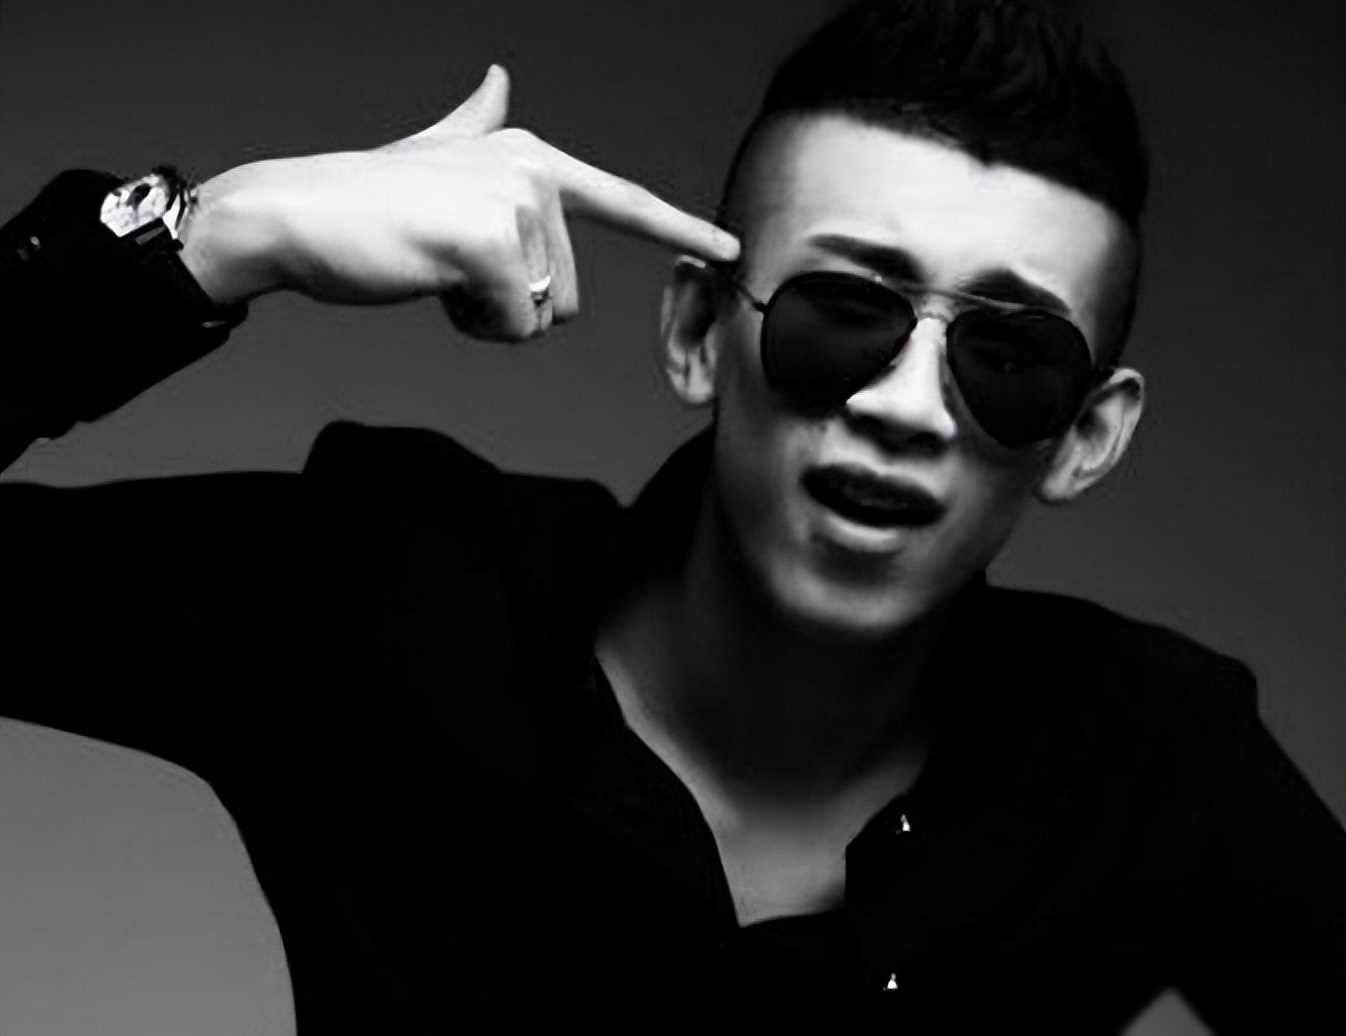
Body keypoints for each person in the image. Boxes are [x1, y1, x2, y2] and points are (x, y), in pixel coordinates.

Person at [2, 0, 1343, 1029]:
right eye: (841, 312)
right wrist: (211, 237)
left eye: (1007, 357)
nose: (906, 409)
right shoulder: (388, 589)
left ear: (1086, 436)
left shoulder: (1150, 761)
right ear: (700, 332)